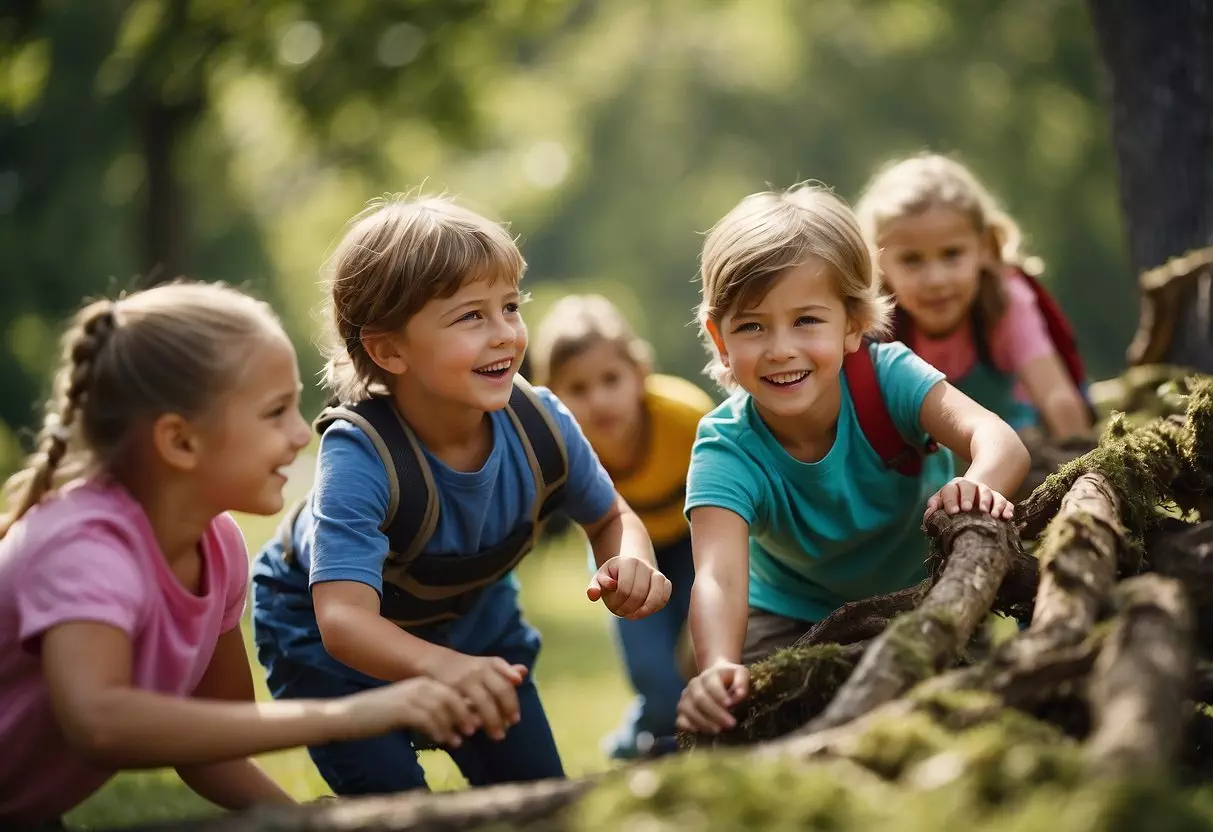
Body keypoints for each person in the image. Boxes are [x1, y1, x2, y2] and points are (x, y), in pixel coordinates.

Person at [0, 281, 478, 829]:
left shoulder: (218, 545)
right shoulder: (84, 548)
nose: (303, 434)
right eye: (275, 412)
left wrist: (298, 820)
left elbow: (212, 742)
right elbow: (100, 722)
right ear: (180, 441)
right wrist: (348, 715)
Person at [250, 195, 670, 796]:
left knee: (537, 801)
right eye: (470, 317)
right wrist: (446, 671)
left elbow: (610, 515)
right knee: (395, 804)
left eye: (510, 307)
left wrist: (630, 557)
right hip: (333, 652)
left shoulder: (542, 422)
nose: (505, 334)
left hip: (473, 631)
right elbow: (342, 620)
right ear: (389, 349)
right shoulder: (362, 454)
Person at [674, 183, 1030, 736]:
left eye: (807, 320)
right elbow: (718, 576)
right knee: (768, 722)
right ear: (720, 340)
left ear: (853, 324)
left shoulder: (888, 378)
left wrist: (977, 484)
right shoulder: (726, 447)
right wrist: (717, 661)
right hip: (789, 617)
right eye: (752, 326)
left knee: (953, 722)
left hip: (922, 594)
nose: (780, 347)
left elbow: (999, 440)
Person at [531, 294, 714, 760]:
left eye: (611, 380)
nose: (599, 400)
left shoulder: (685, 417)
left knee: (700, 648)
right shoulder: (564, 443)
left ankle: (684, 740)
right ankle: (643, 738)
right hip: (625, 548)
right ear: (552, 395)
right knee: (652, 669)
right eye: (578, 388)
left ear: (640, 373)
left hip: (697, 539)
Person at [855, 152, 1093, 439]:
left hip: (1017, 436)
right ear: (878, 263)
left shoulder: (1005, 300)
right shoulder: (874, 324)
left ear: (985, 247)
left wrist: (1082, 462)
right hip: (927, 458)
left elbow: (1057, 397)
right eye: (911, 260)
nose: (936, 279)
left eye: (952, 254)